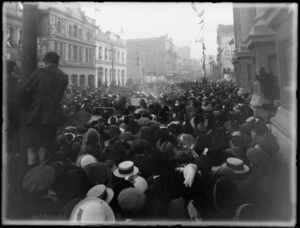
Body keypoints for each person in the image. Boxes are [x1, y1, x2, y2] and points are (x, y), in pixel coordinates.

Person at [17, 52, 68, 166]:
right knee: (44, 148)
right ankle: (43, 177)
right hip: (54, 114)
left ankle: (32, 177)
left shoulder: (40, 72)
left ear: (45, 60)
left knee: (32, 149)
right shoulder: (64, 77)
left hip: (37, 113)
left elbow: (22, 91)